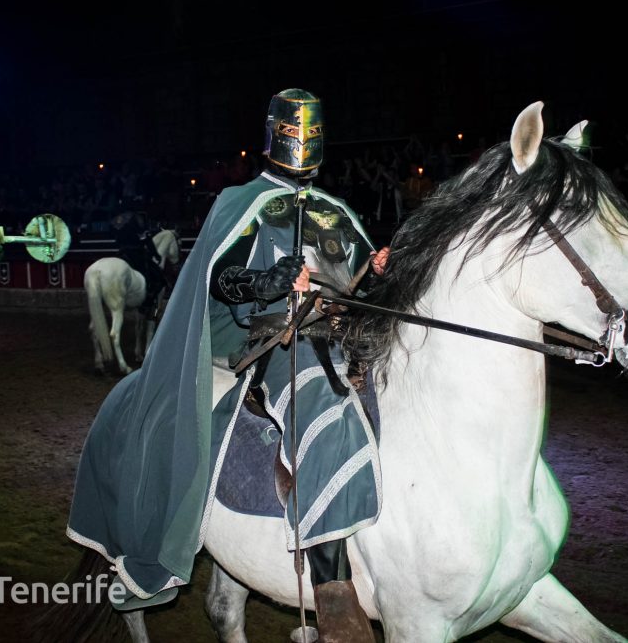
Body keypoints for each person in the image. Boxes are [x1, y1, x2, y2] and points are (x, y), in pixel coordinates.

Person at [67, 89, 388, 641]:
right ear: (274, 136)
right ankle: (333, 590)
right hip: (275, 341)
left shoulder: (336, 210)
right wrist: (271, 281)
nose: (303, 143)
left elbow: (357, 269)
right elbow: (222, 274)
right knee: (319, 402)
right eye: (295, 133)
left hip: (343, 339)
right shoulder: (244, 201)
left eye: (311, 134)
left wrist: (380, 269)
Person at [109, 207, 168, 317]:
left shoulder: (116, 219)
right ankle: (146, 305)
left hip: (121, 252)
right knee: (156, 278)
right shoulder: (137, 218)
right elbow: (146, 239)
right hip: (136, 252)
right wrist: (155, 254)